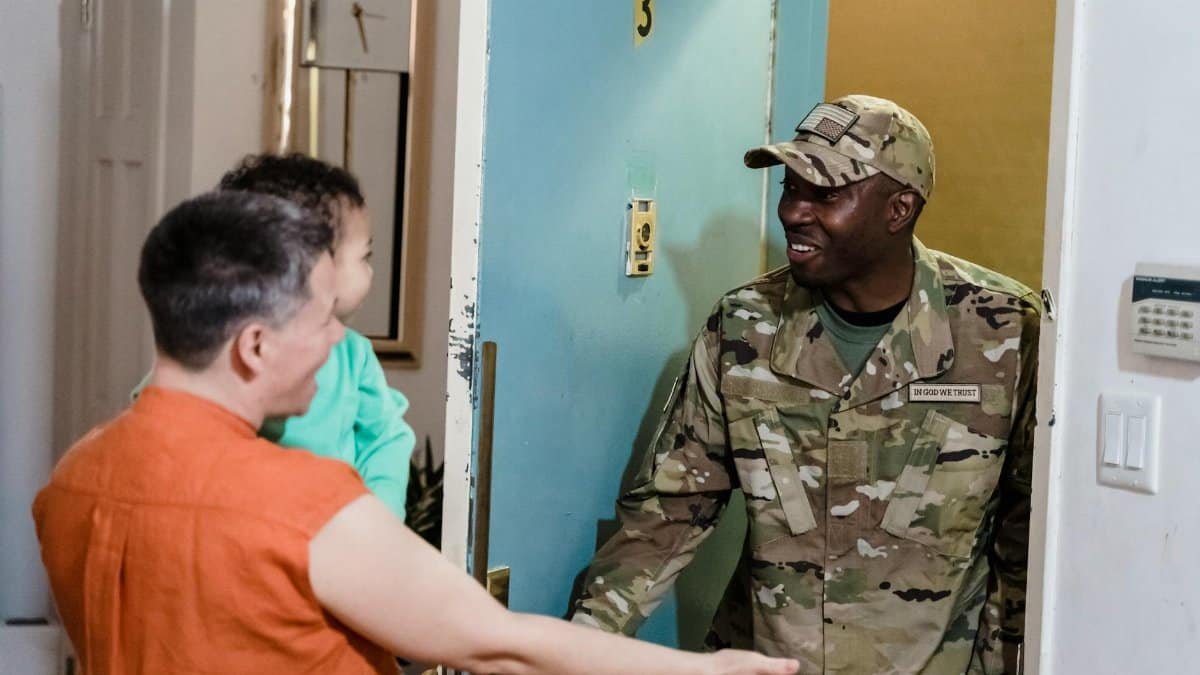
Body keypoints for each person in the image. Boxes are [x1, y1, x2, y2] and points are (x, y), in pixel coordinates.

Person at [32, 191, 799, 675]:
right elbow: (499, 645)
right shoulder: (299, 506)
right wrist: (707, 670)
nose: (341, 341)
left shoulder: (72, 477)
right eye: (323, 320)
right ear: (254, 345)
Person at [571, 95, 1040, 674]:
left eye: (825, 195)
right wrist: (573, 652)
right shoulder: (745, 327)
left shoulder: (1005, 332)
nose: (794, 211)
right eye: (791, 188)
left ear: (898, 209)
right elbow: (667, 514)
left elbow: (1030, 539)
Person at [133, 153, 414, 519]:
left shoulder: (353, 356)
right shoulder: (213, 350)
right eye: (364, 256)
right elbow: (157, 410)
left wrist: (379, 516)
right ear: (310, 263)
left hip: (331, 532)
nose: (371, 271)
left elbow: (386, 438)